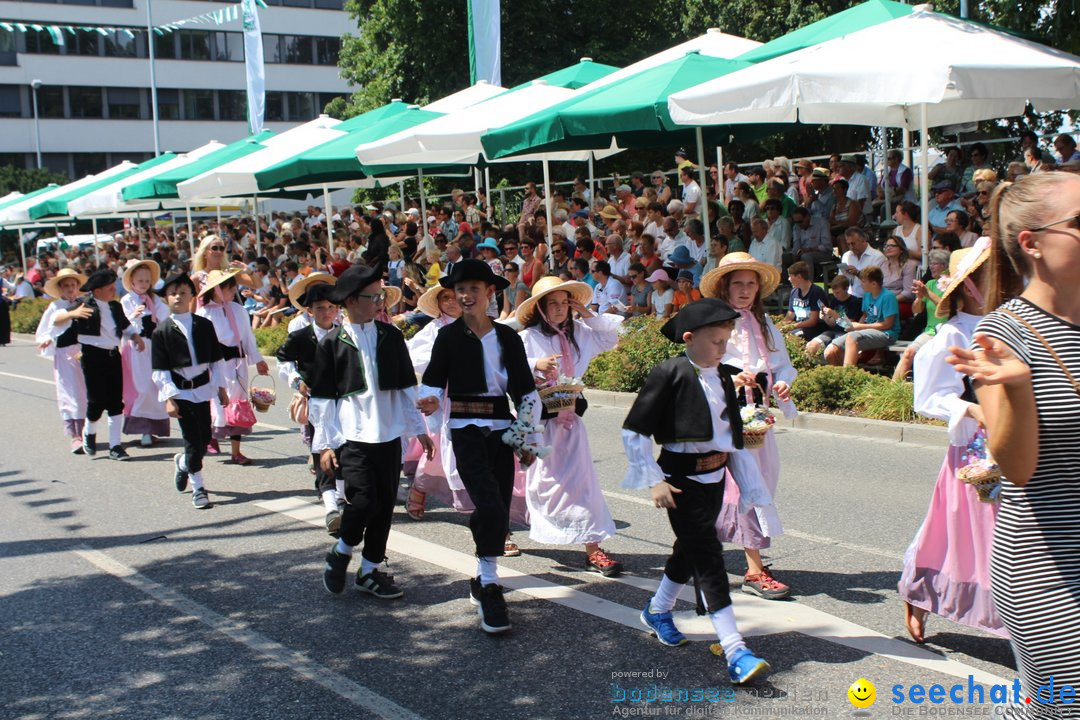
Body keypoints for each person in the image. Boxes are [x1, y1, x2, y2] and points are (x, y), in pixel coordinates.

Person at [947, 172, 1080, 715]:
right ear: (1033, 243)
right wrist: (1020, 387)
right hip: (1051, 566)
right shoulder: (1004, 333)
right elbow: (1018, 467)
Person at [622, 298, 771, 685]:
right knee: (709, 556)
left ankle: (657, 610)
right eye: (717, 341)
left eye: (727, 341)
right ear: (689, 338)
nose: (724, 349)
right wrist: (653, 478)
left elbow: (730, 439)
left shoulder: (722, 375)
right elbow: (634, 430)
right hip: (679, 482)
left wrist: (748, 485)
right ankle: (736, 650)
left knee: (689, 550)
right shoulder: (668, 373)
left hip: (716, 479)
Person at [417, 259, 543, 635]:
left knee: (500, 504)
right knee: (487, 503)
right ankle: (490, 584)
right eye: (461, 289)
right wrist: (428, 400)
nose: (466, 295)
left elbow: (524, 390)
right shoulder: (448, 336)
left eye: (475, 288)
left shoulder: (507, 338)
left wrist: (526, 437)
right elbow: (433, 382)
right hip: (465, 429)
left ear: (491, 292)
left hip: (501, 429)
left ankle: (482, 574)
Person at [898, 238, 1005, 643]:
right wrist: (974, 410)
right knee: (956, 530)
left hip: (1018, 439)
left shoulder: (1012, 324)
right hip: (976, 447)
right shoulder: (954, 334)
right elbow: (928, 395)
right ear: (969, 284)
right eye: (990, 274)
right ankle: (920, 593)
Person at [311, 265, 433, 600]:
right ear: (350, 301)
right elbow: (322, 398)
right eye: (373, 297)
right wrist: (326, 444)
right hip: (353, 438)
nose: (380, 302)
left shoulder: (390, 336)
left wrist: (418, 430)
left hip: (389, 435)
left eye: (381, 295)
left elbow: (407, 385)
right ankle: (341, 550)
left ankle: (369, 570)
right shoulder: (332, 343)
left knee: (383, 507)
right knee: (363, 500)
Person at [700, 254, 796, 600]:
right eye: (737, 283)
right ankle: (754, 569)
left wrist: (783, 382)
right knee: (745, 487)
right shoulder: (714, 322)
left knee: (755, 481)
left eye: (751, 284)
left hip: (759, 417)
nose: (744, 291)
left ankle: (696, 548)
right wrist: (730, 376)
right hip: (727, 416)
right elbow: (699, 367)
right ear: (725, 287)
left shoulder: (764, 324)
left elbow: (784, 365)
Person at [517, 277, 624, 575]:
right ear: (539, 307)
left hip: (571, 419)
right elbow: (506, 367)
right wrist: (535, 364)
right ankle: (503, 531)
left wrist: (586, 313)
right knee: (537, 482)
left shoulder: (580, 332)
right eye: (553, 303)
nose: (560, 309)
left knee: (583, 481)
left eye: (564, 302)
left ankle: (593, 547)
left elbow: (610, 339)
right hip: (539, 421)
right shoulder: (528, 338)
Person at [150, 273, 229, 510]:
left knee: (204, 438)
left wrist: (221, 388)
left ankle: (184, 463)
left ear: (192, 296)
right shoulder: (161, 331)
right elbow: (160, 370)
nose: (178, 296)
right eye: (173, 293)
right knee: (193, 441)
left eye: (183, 292)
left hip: (203, 389)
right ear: (166, 298)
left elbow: (216, 360)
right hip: (181, 392)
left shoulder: (204, 325)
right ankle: (199, 488)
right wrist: (169, 398)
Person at [276, 281, 343, 535]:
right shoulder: (301, 337)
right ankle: (330, 507)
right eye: (319, 307)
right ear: (309, 311)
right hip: (317, 404)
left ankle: (341, 498)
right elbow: (283, 360)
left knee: (345, 451)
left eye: (330, 307)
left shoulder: (344, 334)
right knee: (322, 450)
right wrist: (297, 381)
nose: (326, 312)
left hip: (343, 402)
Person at [403, 285, 472, 521]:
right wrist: (442, 358)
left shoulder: (477, 324)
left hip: (473, 395)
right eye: (446, 298)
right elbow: (412, 356)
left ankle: (486, 511)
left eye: (455, 297)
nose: (451, 302)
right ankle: (420, 489)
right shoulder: (434, 329)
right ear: (439, 303)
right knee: (437, 451)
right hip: (440, 397)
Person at [69, 269, 145, 461]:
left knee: (115, 402)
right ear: (97, 291)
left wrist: (135, 337)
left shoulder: (115, 307)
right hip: (92, 356)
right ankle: (89, 433)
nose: (114, 290)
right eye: (109, 288)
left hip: (112, 355)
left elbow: (126, 327)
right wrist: (73, 314)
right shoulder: (83, 305)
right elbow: (60, 322)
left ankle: (115, 446)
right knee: (96, 401)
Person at [196, 268, 269, 465]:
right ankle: (212, 434)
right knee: (219, 402)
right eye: (229, 288)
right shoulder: (204, 314)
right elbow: (201, 344)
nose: (233, 292)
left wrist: (258, 359)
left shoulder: (238, 310)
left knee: (237, 401)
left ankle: (236, 451)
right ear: (217, 290)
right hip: (217, 366)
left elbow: (247, 337)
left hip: (238, 365)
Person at [35, 268, 89, 454]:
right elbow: (49, 327)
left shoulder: (84, 303)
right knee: (70, 392)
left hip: (83, 351)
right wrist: (47, 339)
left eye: (73, 285)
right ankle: (76, 435)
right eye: (66, 286)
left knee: (86, 392)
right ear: (60, 288)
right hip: (65, 353)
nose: (70, 289)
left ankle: (88, 431)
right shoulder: (56, 307)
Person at [120, 260, 171, 446]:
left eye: (147, 280)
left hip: (153, 346)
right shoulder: (127, 300)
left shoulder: (154, 299)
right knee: (141, 387)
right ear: (132, 282)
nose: (143, 284)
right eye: (140, 280)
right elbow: (122, 324)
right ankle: (143, 429)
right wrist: (134, 315)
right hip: (136, 348)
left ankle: (153, 428)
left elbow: (165, 317)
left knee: (155, 385)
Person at [892, 249, 950, 382]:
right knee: (908, 353)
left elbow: (947, 309)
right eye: (931, 263)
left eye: (935, 263)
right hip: (930, 331)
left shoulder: (953, 284)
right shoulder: (930, 284)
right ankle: (892, 390)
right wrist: (919, 297)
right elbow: (916, 310)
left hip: (947, 332)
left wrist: (927, 293)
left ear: (945, 265)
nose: (931, 266)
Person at [824, 266, 900, 366]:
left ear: (874, 284)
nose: (861, 284)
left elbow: (888, 324)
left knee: (851, 337)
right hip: (866, 331)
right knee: (830, 351)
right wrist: (855, 327)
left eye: (863, 281)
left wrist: (860, 327)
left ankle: (848, 375)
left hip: (887, 334)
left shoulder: (888, 297)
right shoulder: (867, 295)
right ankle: (840, 378)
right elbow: (865, 315)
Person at [805, 275, 864, 359]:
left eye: (838, 292)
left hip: (846, 334)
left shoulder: (854, 302)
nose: (835, 295)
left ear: (846, 288)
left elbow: (848, 326)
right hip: (833, 331)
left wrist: (834, 315)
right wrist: (825, 318)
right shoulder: (834, 301)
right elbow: (832, 324)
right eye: (834, 292)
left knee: (831, 352)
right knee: (811, 346)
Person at [784, 261, 829, 340]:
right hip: (799, 327)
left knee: (790, 337)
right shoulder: (794, 291)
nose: (788, 279)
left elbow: (813, 321)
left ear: (799, 277)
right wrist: (781, 326)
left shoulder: (816, 292)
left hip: (815, 330)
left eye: (790, 276)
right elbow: (790, 315)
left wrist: (792, 326)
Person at [839, 227, 885, 298]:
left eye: (853, 244)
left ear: (863, 240)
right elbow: (841, 279)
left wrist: (858, 273)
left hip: (870, 299)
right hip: (850, 298)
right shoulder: (846, 255)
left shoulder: (877, 257)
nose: (851, 247)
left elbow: (878, 282)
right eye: (848, 244)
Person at [790, 206, 833, 280]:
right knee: (785, 256)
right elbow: (796, 245)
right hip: (803, 253)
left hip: (823, 254)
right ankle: (788, 285)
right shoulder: (796, 227)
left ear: (807, 217)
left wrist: (809, 249)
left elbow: (826, 246)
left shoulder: (821, 223)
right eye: (796, 222)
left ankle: (808, 286)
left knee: (806, 256)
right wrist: (794, 256)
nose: (799, 224)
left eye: (800, 221)